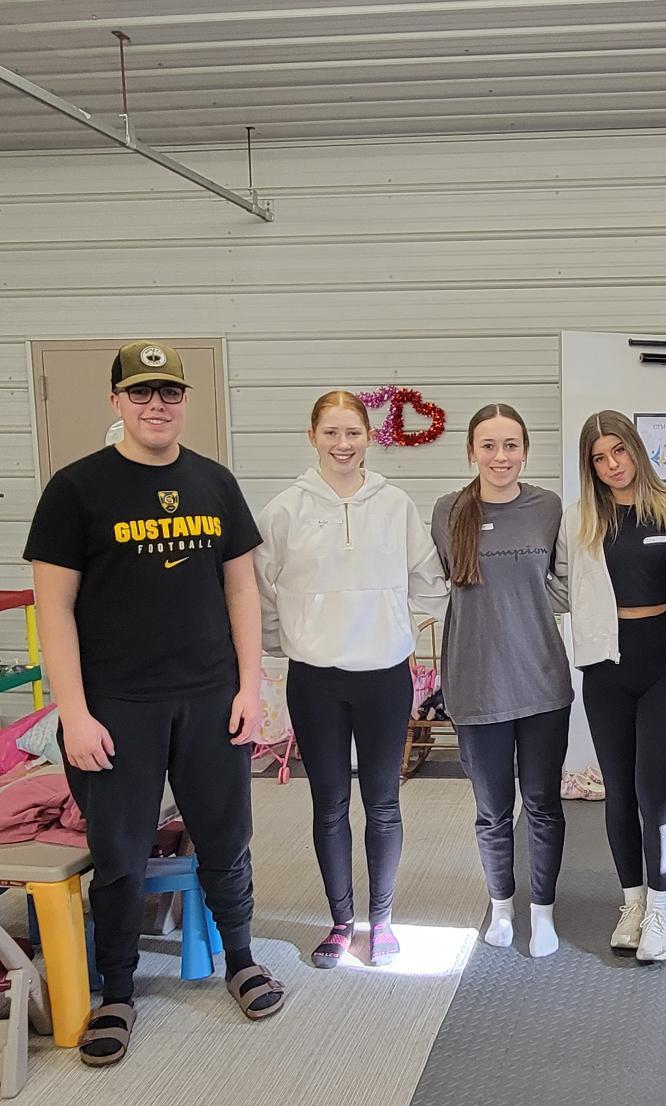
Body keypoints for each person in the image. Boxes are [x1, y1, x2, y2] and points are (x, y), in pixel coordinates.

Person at [24, 340, 283, 1067]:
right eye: (140, 392)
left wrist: (251, 685)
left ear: (184, 402)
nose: (156, 405)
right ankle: (117, 991)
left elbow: (241, 587)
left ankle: (241, 960)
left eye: (169, 392)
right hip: (115, 706)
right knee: (119, 854)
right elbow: (54, 609)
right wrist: (74, 713)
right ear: (116, 401)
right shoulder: (76, 489)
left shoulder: (214, 483)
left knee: (226, 839)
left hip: (209, 697)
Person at [254, 391, 448, 969]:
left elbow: (428, 579)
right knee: (329, 804)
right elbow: (259, 588)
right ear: (312, 437)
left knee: (383, 803)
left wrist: (400, 622)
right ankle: (341, 921)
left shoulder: (394, 504)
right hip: (315, 679)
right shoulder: (284, 510)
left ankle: (381, 920)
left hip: (384, 676)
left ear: (369, 437)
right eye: (331, 433)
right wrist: (284, 640)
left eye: (353, 433)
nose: (343, 444)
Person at [430, 404, 573, 958]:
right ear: (471, 451)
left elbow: (560, 583)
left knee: (542, 804)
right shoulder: (448, 511)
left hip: (541, 682)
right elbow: (439, 585)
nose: (500, 456)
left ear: (525, 451)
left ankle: (543, 912)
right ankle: (502, 907)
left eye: (511, 445)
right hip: (476, 685)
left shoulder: (547, 507)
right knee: (492, 811)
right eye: (488, 445)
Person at [554, 411, 666, 962]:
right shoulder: (579, 519)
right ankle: (632, 903)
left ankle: (660, 908)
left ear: (636, 449)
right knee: (619, 789)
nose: (612, 464)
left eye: (619, 451)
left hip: (663, 665)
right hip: (605, 668)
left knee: (655, 791)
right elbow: (559, 585)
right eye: (599, 458)